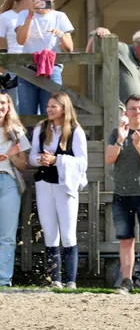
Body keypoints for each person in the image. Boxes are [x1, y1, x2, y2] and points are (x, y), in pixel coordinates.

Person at [105, 94, 140, 295]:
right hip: (122, 194)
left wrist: (138, 144)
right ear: (126, 112)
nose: (137, 112)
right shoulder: (117, 132)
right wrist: (121, 140)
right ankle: (126, 281)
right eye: (133, 108)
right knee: (125, 239)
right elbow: (109, 158)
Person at [29, 92, 87, 289]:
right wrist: (41, 159)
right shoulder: (41, 128)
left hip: (65, 185)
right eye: (48, 106)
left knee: (68, 233)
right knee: (50, 232)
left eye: (54, 106)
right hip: (44, 183)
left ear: (64, 108)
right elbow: (31, 157)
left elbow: (82, 163)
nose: (49, 109)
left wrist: (57, 160)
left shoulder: (75, 131)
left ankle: (71, 281)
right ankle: (55, 280)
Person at [15, 0, 73, 116]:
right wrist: (30, 14)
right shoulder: (24, 14)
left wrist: (61, 35)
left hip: (52, 68)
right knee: (27, 115)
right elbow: (21, 40)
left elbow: (69, 48)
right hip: (27, 69)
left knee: (53, 113)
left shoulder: (59, 16)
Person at [86, 27, 140, 120]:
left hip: (132, 119)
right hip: (113, 116)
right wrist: (99, 31)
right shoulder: (123, 50)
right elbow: (90, 54)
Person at [0, 93, 31, 287]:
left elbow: (23, 165)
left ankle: (3, 280)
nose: (0, 106)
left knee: (7, 236)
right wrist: (6, 153)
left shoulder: (17, 132)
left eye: (3, 102)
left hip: (9, 182)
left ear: (9, 106)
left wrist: (12, 156)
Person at [0, 0, 35, 112]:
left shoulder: (39, 15)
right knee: (15, 110)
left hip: (36, 66)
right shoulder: (6, 17)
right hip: (14, 69)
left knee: (37, 110)